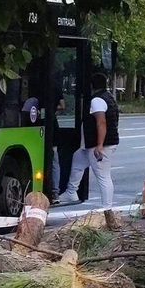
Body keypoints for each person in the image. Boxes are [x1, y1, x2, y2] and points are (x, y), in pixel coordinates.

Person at [56, 73, 118, 208]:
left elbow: (101, 122)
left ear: (91, 85)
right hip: (91, 145)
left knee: (103, 176)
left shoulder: (97, 100)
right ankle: (71, 192)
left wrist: (99, 145)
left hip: (99, 145)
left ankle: (107, 209)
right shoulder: (109, 97)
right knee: (77, 160)